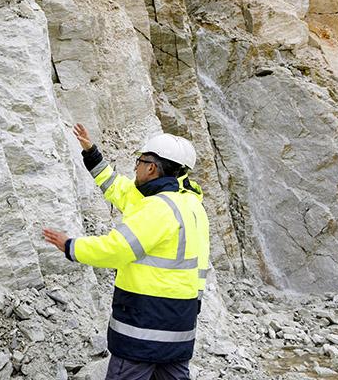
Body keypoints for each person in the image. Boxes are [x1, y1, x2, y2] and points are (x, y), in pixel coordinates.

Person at [42, 124, 211, 380]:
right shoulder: (190, 205)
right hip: (180, 324)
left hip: (144, 325)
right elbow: (118, 188)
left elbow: (117, 249)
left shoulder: (159, 208)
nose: (135, 167)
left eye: (139, 161)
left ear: (152, 167)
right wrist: (92, 153)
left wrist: (71, 246)